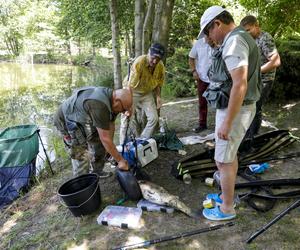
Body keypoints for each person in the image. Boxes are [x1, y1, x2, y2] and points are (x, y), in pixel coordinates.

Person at [198, 6, 261, 221]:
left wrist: (227, 123)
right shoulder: (240, 37)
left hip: (236, 110)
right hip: (238, 108)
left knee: (223, 161)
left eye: (207, 32)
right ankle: (227, 196)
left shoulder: (234, 42)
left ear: (217, 24)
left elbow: (239, 84)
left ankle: (226, 208)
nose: (208, 38)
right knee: (227, 157)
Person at [54, 86, 132, 177]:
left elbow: (110, 125)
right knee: (80, 153)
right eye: (123, 109)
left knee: (100, 144)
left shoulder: (112, 100)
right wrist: (120, 161)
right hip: (67, 119)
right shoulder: (100, 105)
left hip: (86, 117)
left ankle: (97, 171)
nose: (123, 112)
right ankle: (82, 183)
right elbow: (105, 138)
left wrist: (108, 148)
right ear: (117, 101)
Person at [240, 15, 281, 137]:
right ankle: (248, 136)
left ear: (256, 26)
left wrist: (255, 72)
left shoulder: (265, 38)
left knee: (255, 108)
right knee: (250, 107)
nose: (246, 33)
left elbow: (276, 61)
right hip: (255, 79)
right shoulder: (251, 39)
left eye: (248, 30)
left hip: (265, 80)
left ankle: (253, 137)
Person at [119, 43, 166, 144]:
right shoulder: (139, 62)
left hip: (146, 92)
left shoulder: (160, 66)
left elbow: (158, 83)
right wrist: (128, 106)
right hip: (132, 91)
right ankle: (122, 146)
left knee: (154, 118)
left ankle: (141, 142)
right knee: (127, 118)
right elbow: (130, 86)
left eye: (158, 59)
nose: (155, 61)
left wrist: (158, 97)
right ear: (149, 53)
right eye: (153, 58)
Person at [189, 36, 216, 132]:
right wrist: (194, 71)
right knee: (202, 102)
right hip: (202, 78)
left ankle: (220, 125)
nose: (209, 37)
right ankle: (202, 124)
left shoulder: (218, 40)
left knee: (219, 102)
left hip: (216, 79)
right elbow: (191, 58)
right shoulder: (199, 43)